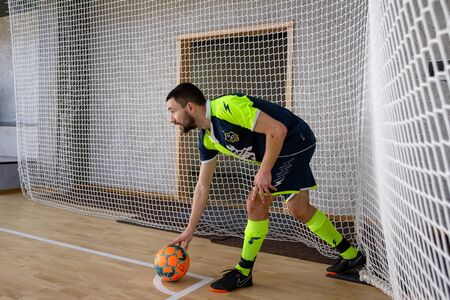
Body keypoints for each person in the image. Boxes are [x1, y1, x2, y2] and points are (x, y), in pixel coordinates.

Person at [166, 82, 365, 293]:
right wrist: (190, 229)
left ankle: (243, 273)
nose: (171, 119)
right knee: (299, 209)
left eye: (172, 111)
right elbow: (202, 187)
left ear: (189, 107)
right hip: (287, 149)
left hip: (293, 141)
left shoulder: (227, 106)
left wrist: (264, 170)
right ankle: (352, 256)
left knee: (255, 205)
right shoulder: (207, 139)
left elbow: (277, 130)